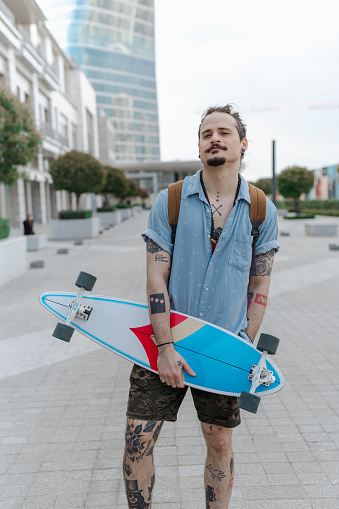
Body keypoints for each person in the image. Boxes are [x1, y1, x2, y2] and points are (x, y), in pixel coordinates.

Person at [123, 104, 279, 508]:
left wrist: (243, 342)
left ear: (242, 144)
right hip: (165, 338)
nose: (215, 138)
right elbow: (155, 276)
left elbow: (260, 281)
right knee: (137, 439)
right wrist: (164, 347)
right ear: (198, 146)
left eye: (224, 132)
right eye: (207, 132)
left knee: (219, 441)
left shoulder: (261, 209)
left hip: (222, 343)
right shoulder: (171, 200)